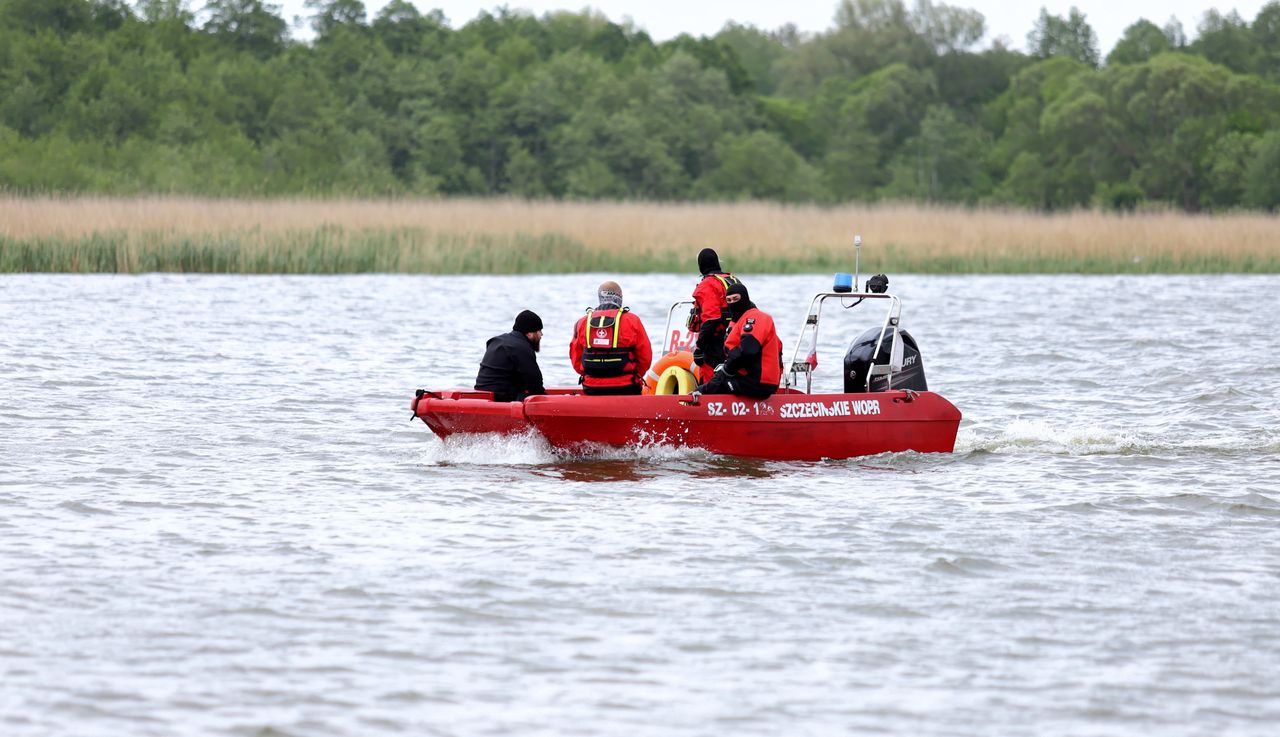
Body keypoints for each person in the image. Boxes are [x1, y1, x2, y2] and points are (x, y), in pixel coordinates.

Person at [697, 282, 782, 400]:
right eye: (729, 300)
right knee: (709, 386)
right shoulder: (738, 321)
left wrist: (724, 373)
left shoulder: (756, 317)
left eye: (736, 299)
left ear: (745, 298)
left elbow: (748, 350)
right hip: (747, 379)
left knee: (706, 390)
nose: (733, 303)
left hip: (757, 383)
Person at [570, 280, 652, 395]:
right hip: (627, 387)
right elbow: (645, 358)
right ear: (620, 298)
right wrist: (634, 376)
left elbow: (575, 359)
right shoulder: (633, 321)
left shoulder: (582, 322)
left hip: (591, 387)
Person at [688, 247, 740, 383]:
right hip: (737, 339)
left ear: (701, 266)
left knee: (709, 380)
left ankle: (710, 401)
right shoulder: (732, 280)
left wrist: (699, 348)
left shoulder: (708, 285)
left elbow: (712, 320)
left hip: (715, 345)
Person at [474, 310, 546, 402]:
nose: (541, 334)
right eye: (539, 331)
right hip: (501, 398)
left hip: (482, 393)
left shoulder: (496, 341)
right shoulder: (522, 347)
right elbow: (535, 385)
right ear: (529, 333)